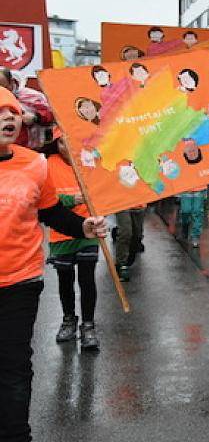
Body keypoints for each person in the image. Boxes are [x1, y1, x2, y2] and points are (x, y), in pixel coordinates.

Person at [0, 88, 108, 441]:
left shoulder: (35, 164)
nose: (9, 117)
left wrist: (83, 226)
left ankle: (16, 434)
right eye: (0, 112)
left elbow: (50, 211)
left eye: (13, 111)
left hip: (20, 281)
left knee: (14, 364)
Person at [47, 129, 101, 350]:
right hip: (61, 233)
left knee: (87, 279)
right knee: (65, 279)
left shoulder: (90, 159)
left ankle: (88, 325)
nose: (65, 147)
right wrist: (72, 199)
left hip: (89, 230)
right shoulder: (47, 164)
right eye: (60, 142)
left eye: (69, 141)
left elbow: (103, 188)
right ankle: (69, 320)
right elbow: (44, 197)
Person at [0, 67, 54, 149]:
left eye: (2, 87)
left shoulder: (33, 97)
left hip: (33, 148)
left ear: (11, 82)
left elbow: (53, 116)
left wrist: (36, 117)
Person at [114, 205, 146, 282]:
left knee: (137, 236)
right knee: (125, 233)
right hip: (122, 204)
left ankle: (128, 261)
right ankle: (121, 264)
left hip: (139, 205)